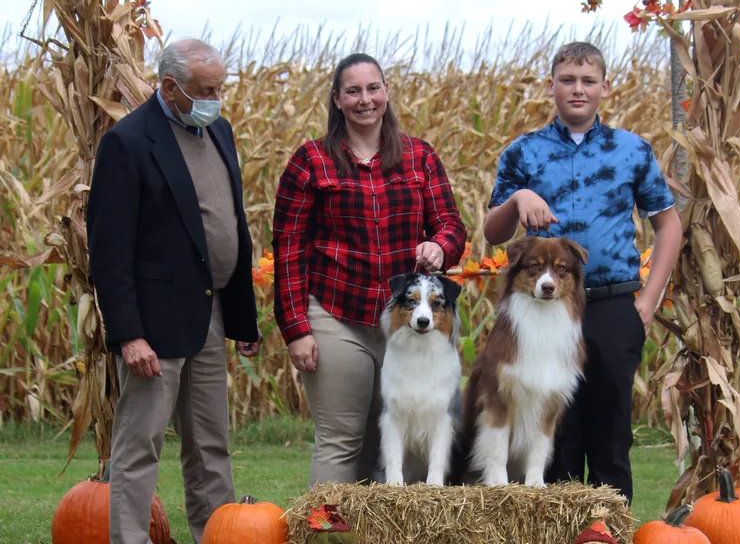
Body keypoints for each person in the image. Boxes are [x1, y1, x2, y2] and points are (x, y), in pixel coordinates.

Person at [484, 41, 682, 503]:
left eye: (588, 81)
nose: (578, 89)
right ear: (550, 86)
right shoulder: (523, 153)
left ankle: (609, 528)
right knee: (556, 437)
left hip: (612, 303)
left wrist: (647, 302)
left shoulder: (631, 150)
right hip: (542, 311)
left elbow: (668, 225)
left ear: (604, 87)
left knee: (611, 432)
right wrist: (517, 200)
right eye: (568, 80)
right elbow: (494, 233)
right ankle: (562, 532)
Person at [87, 38, 261, 544]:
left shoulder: (219, 131)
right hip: (154, 326)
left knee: (211, 444)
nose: (216, 99)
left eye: (220, 88)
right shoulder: (129, 141)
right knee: (139, 445)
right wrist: (129, 335)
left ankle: (218, 535)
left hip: (211, 317)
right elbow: (110, 251)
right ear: (169, 87)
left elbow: (232, 227)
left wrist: (242, 319)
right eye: (206, 90)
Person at [272, 52, 467, 487]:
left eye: (373, 88)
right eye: (353, 91)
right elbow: (288, 251)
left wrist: (440, 246)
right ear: (337, 100)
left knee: (398, 438)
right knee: (343, 438)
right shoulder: (311, 161)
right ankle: (328, 532)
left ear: (386, 92)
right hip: (337, 313)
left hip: (406, 321)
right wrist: (296, 328)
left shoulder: (419, 157)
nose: (365, 100)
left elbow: (451, 224)